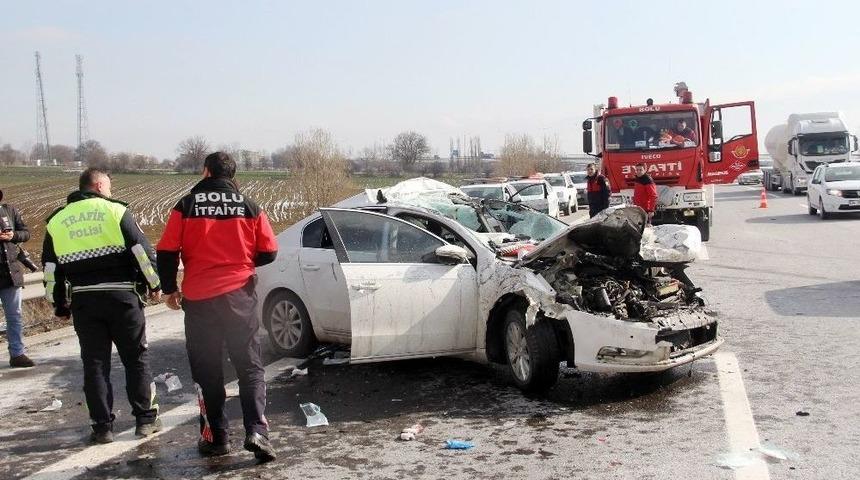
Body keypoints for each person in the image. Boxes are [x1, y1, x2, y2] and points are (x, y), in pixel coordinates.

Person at [157, 152, 278, 462]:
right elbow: (269, 251)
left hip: (199, 300)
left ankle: (217, 438)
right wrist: (243, 263)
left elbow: (167, 250)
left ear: (205, 171)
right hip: (239, 296)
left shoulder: (185, 205)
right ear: (232, 174)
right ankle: (257, 432)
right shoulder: (250, 205)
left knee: (208, 371)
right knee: (250, 366)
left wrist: (170, 289)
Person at [42, 168, 162, 444]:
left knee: (95, 364)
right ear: (97, 186)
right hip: (123, 299)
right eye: (109, 186)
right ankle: (145, 420)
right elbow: (142, 252)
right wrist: (155, 285)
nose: (111, 190)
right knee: (136, 359)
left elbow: (50, 269)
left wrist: (59, 304)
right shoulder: (115, 212)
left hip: (85, 302)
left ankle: (102, 427)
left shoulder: (57, 221)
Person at [0, 188, 34, 368]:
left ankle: (17, 354)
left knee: (15, 316)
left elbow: (26, 233)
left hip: (10, 273)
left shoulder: (9, 210)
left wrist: (13, 235)